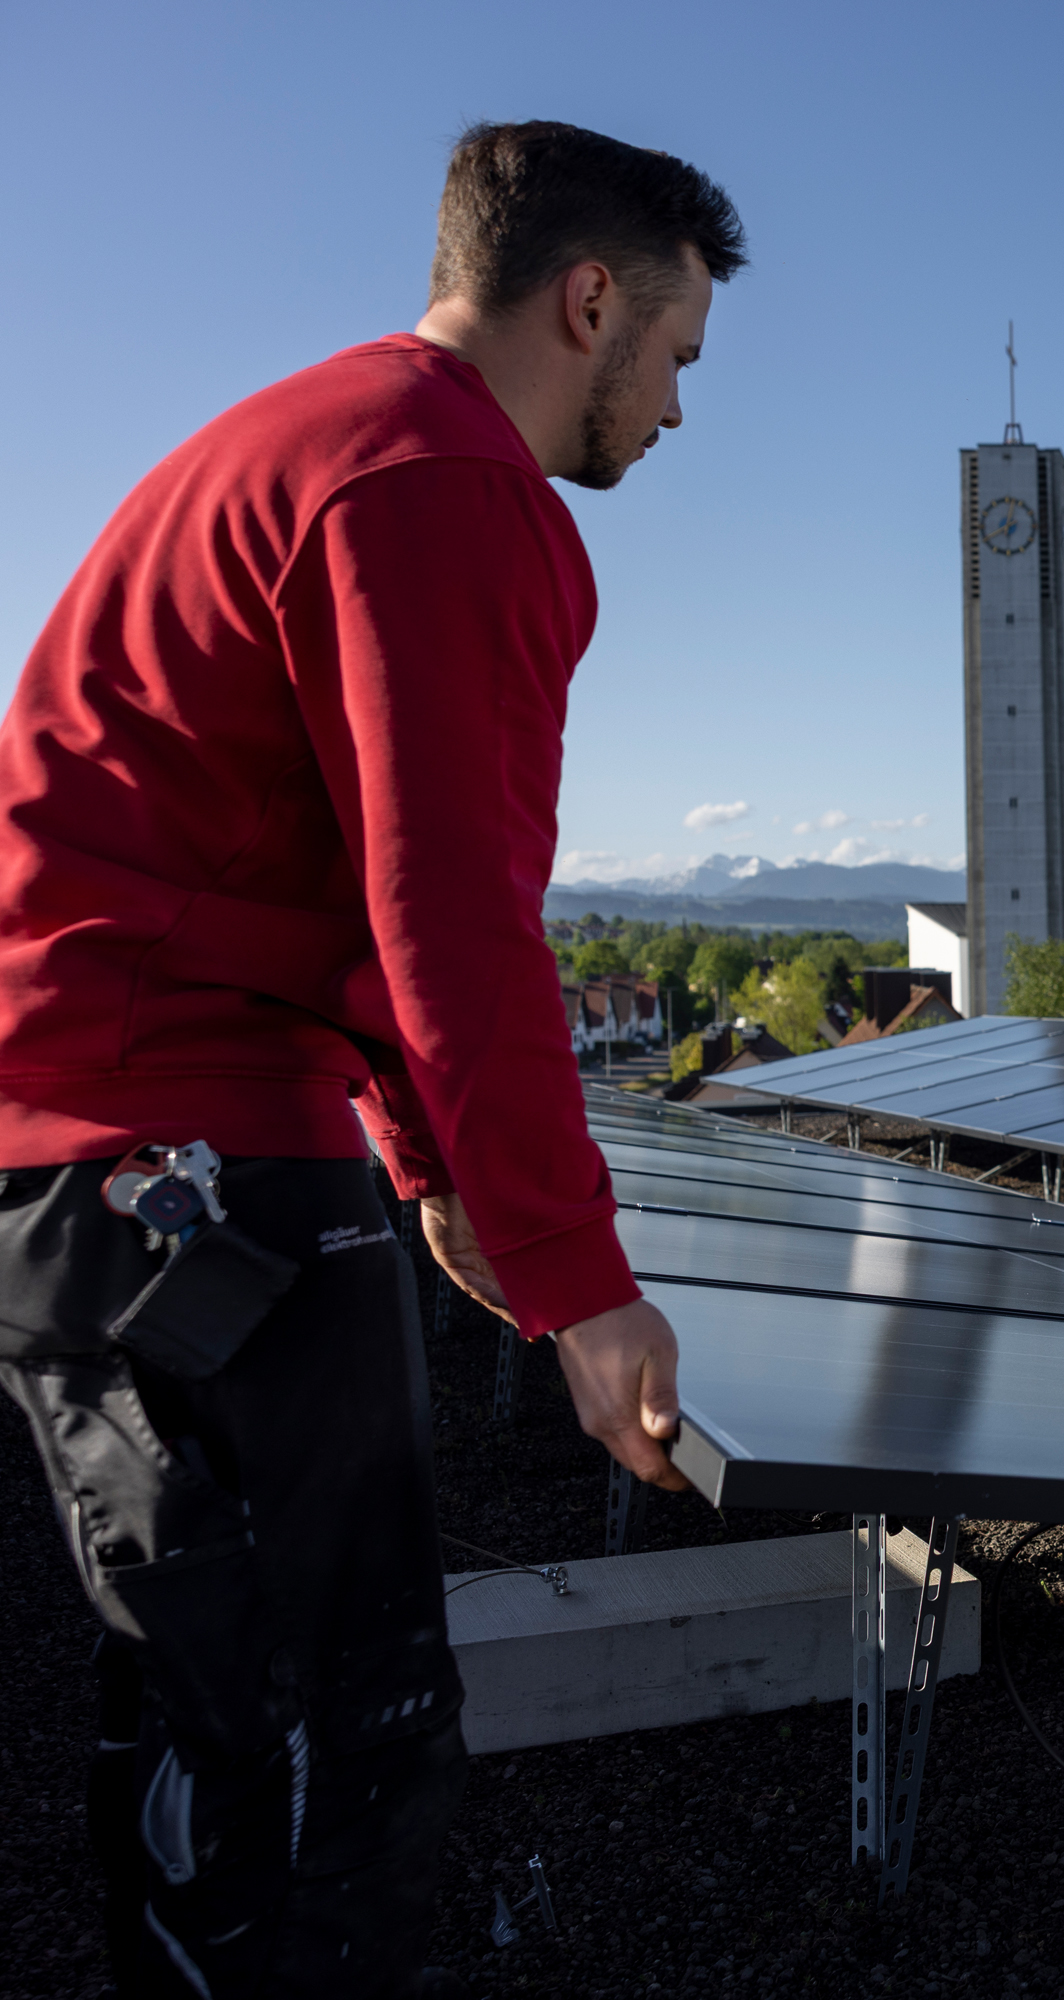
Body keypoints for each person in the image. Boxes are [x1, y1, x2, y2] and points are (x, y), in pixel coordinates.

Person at [0, 121, 744, 1993]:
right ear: (589, 298)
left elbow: (332, 880)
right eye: (674, 356)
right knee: (344, 1736)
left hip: (104, 1159)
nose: (673, 408)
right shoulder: (441, 485)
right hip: (191, 1156)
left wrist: (430, 1175)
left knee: (209, 1708)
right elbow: (449, 909)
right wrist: (582, 1277)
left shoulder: (303, 441)